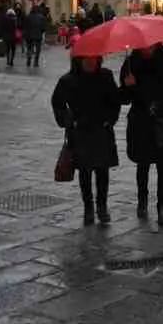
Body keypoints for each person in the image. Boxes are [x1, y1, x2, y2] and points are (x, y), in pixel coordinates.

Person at [119, 45, 163, 225]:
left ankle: (162, 206)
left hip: (162, 118)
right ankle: (142, 201)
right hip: (140, 119)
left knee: (162, 163)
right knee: (142, 163)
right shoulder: (130, 63)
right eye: (143, 45)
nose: (146, 48)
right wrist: (128, 87)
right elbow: (125, 99)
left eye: (150, 45)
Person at [51, 54, 120, 226]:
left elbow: (115, 101)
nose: (90, 62)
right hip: (80, 131)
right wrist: (69, 120)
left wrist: (109, 120)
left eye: (94, 58)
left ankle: (102, 207)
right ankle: (88, 207)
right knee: (84, 170)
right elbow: (57, 102)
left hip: (101, 129)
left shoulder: (106, 76)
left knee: (102, 170)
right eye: (86, 59)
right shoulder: (68, 80)